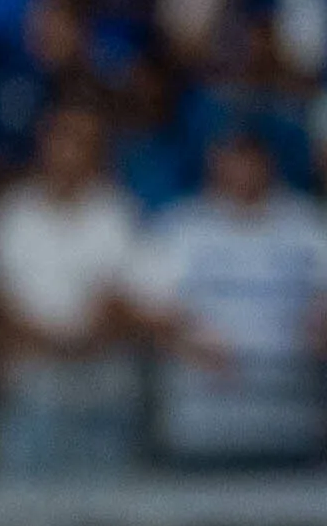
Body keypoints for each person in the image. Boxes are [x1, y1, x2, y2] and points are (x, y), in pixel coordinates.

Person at [129, 130, 327, 465]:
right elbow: (140, 307)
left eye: (251, 162)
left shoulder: (308, 225)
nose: (243, 172)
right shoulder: (181, 227)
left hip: (290, 406)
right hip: (201, 408)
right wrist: (182, 336)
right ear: (214, 165)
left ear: (269, 165)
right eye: (233, 161)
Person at [0, 103, 145, 473]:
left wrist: (82, 338)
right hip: (30, 382)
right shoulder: (11, 213)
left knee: (110, 506)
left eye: (82, 142)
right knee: (22, 505)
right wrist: (51, 340)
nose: (69, 151)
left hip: (101, 383)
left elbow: (125, 294)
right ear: (44, 145)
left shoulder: (117, 212)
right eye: (62, 140)